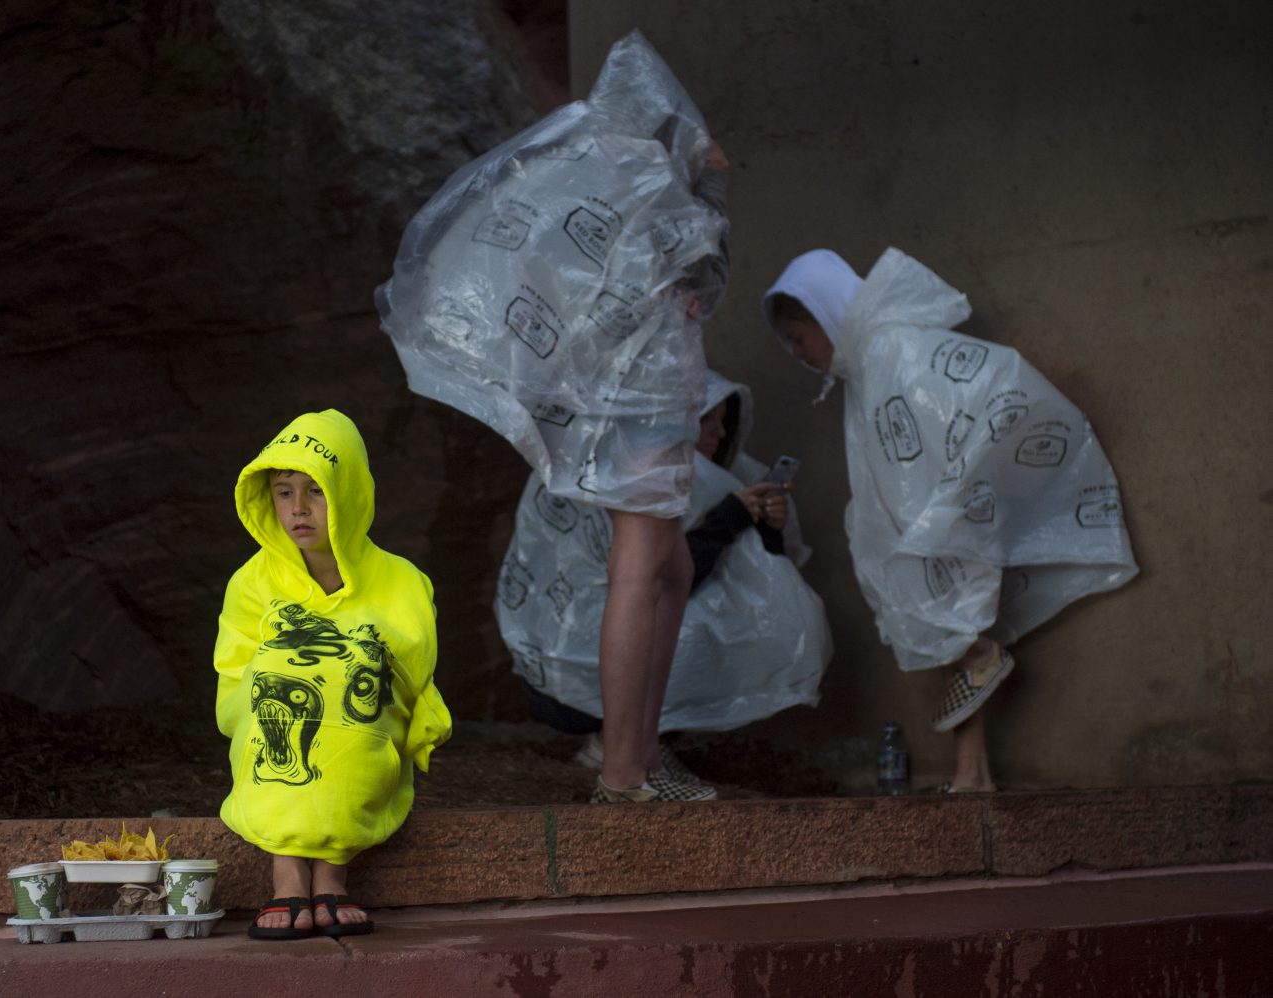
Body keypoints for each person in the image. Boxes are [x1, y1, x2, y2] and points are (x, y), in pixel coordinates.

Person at [377, 33, 730, 804]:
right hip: (633, 401)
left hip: (641, 397)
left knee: (663, 569)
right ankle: (624, 770)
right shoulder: (632, 175)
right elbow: (697, 262)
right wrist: (702, 191)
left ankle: (635, 753)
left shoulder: (591, 171)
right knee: (643, 570)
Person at [763, 248, 1137, 791]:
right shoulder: (866, 362)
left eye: (800, 336)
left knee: (958, 635)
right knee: (948, 635)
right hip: (934, 517)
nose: (798, 353)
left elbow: (942, 423)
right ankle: (973, 774)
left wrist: (939, 509)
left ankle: (982, 671)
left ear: (826, 313)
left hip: (945, 512)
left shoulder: (890, 347)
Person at [497, 370, 832, 787]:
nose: (719, 432)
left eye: (723, 421)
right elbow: (657, 581)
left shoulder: (711, 478)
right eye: (706, 420)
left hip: (587, 660)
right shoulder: (624, 477)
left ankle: (641, 746)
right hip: (568, 676)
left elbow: (759, 590)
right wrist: (728, 519)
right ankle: (619, 750)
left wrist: (764, 528)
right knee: (676, 625)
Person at [213, 409, 451, 939]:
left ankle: (332, 867)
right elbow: (234, 672)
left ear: (348, 492)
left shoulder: (402, 580)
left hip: (361, 723)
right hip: (273, 723)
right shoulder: (250, 581)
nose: (298, 509)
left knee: (352, 673)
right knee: (278, 675)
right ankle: (289, 871)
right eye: (282, 492)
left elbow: (414, 674)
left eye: (315, 491)